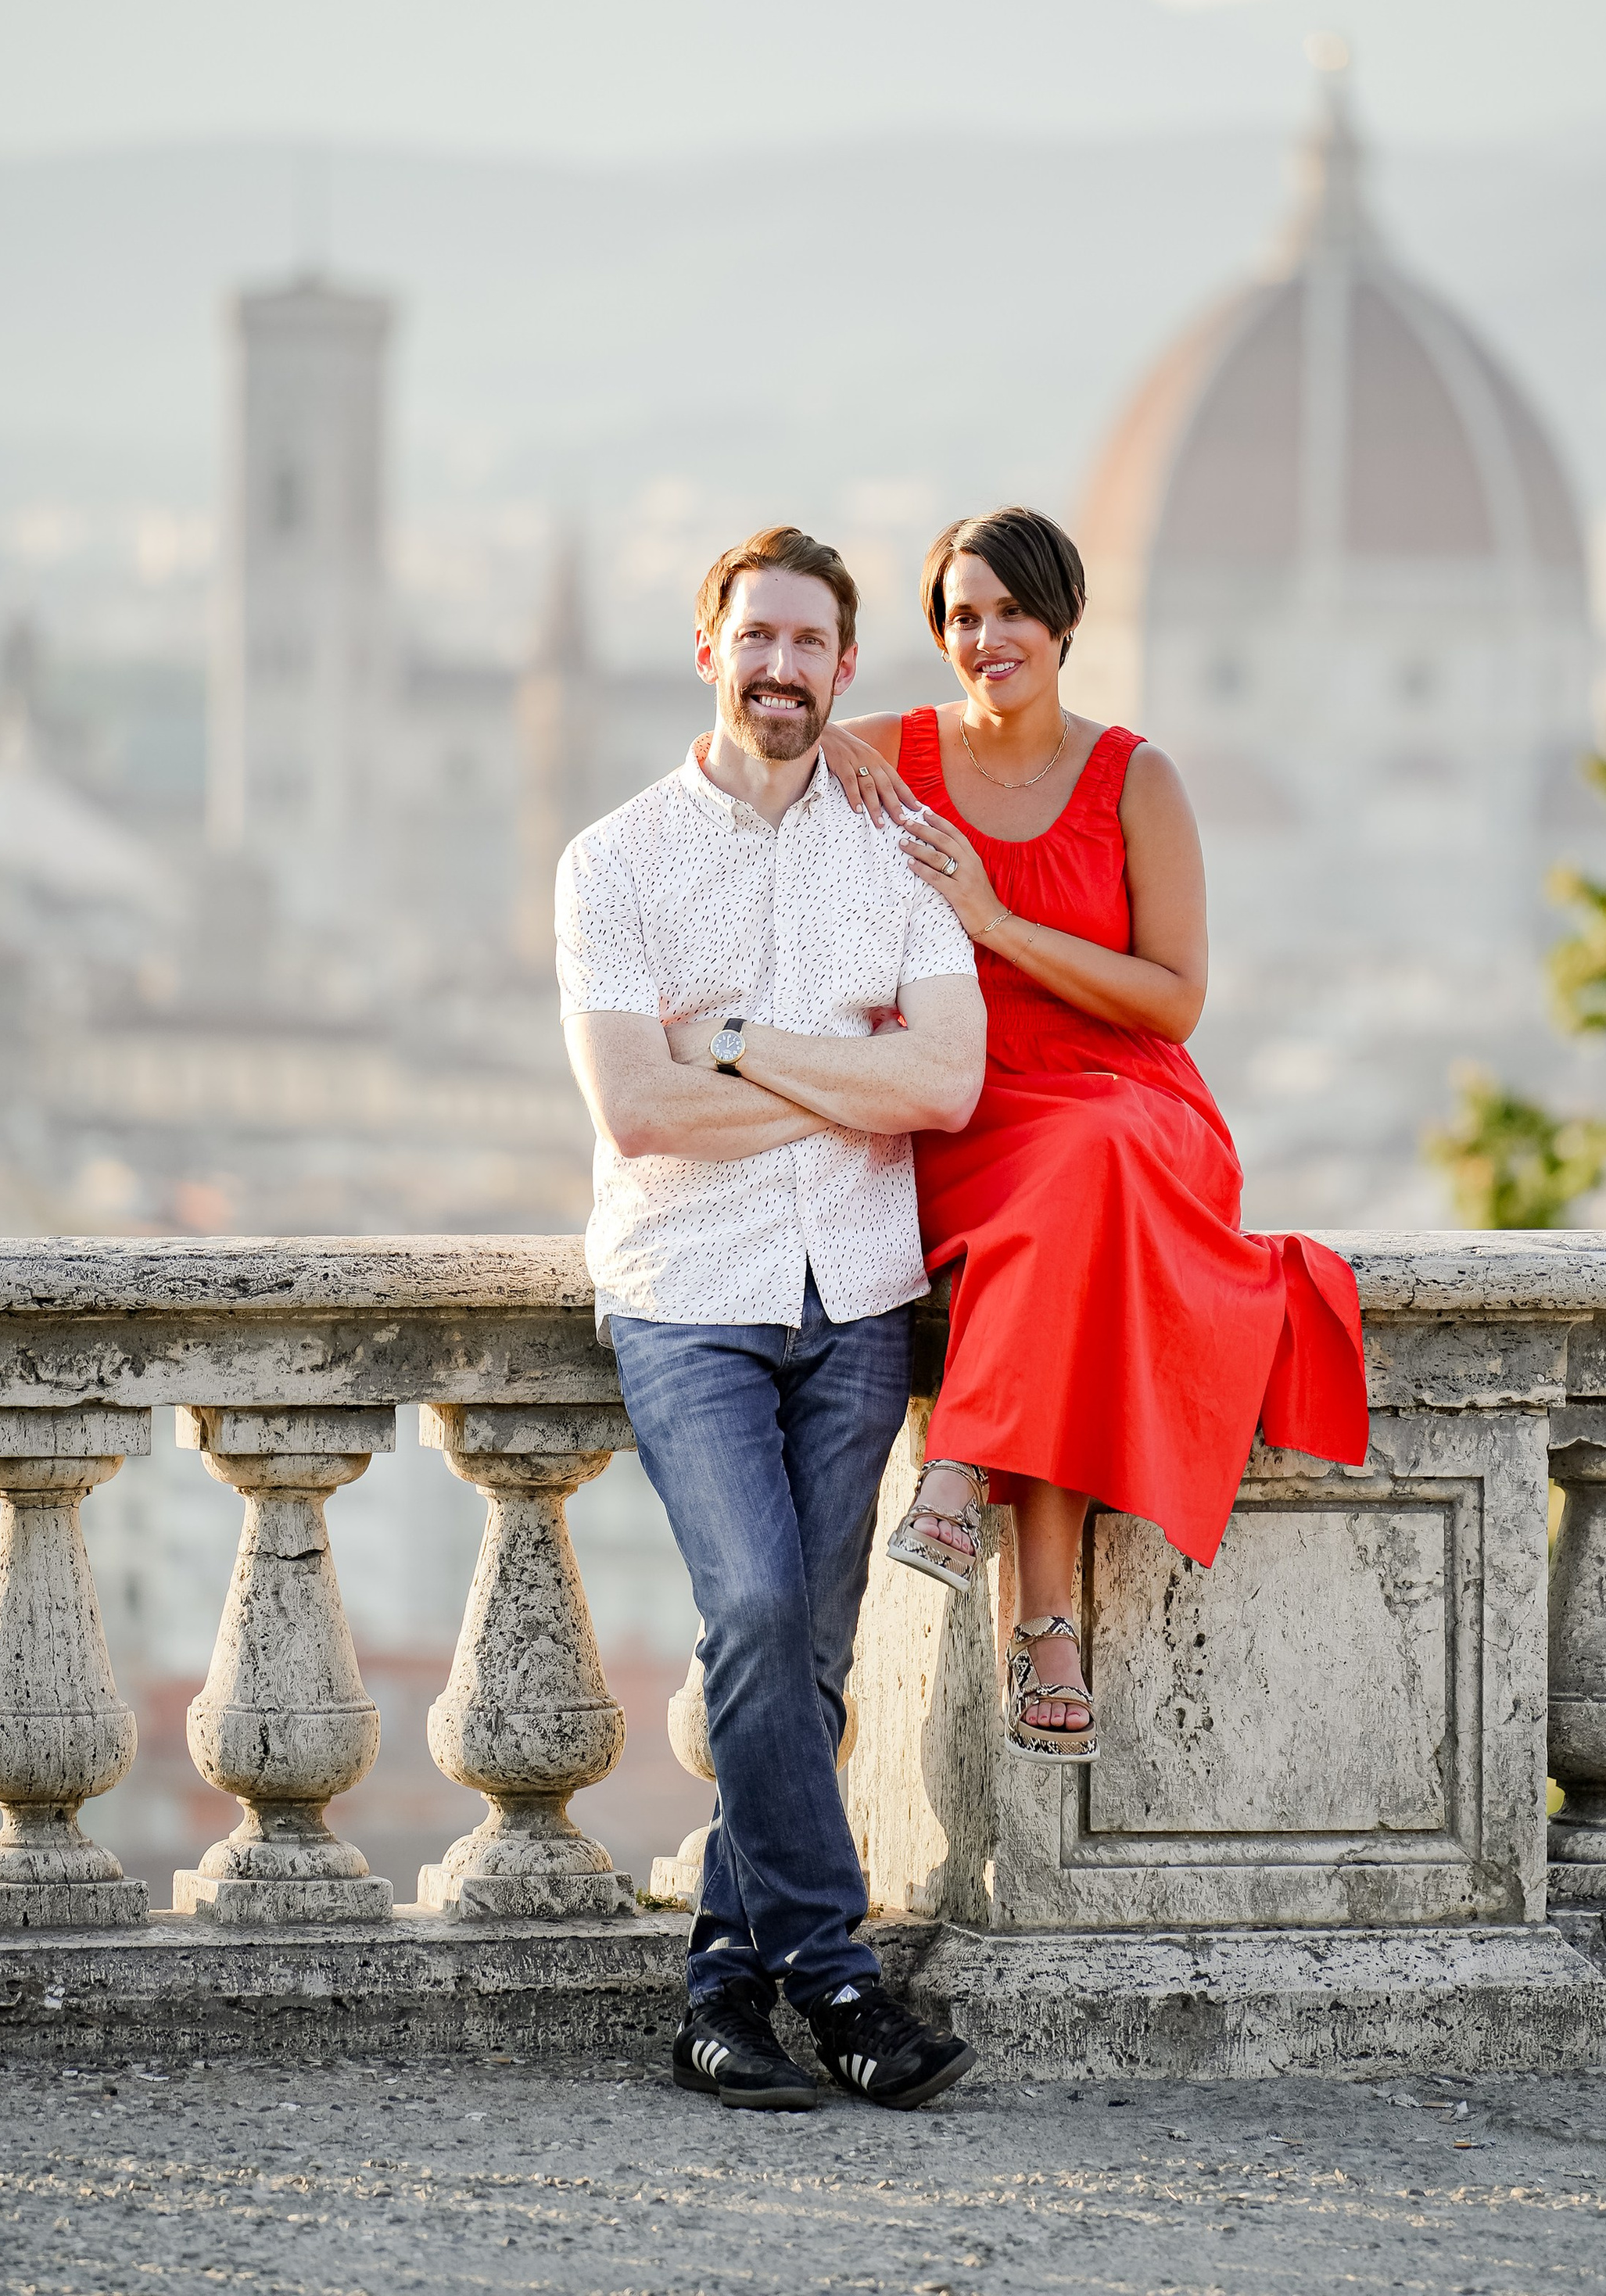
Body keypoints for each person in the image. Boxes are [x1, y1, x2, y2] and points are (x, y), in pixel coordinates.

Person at [821, 504, 1368, 1762]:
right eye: (961, 616)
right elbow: (737, 745)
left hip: (1130, 1102)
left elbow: (1176, 997)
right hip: (967, 1104)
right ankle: (1044, 1623)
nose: (986, 636)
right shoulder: (890, 753)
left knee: (1082, 1174)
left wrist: (994, 920)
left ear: (1065, 621)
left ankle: (979, 1494)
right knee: (1061, 1233)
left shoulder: (1139, 778)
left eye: (1011, 610)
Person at [557, 525, 988, 2114]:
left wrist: (732, 1043)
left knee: (806, 1664)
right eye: (758, 638)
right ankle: (841, 1978)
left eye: (811, 644)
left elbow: (943, 1084)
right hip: (689, 1300)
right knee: (747, 1613)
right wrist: (833, 1081)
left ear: (843, 669)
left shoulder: (895, 853)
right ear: (707, 650)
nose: (782, 667)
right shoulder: (612, 863)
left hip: (859, 1297)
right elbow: (638, 1115)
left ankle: (723, 1991)